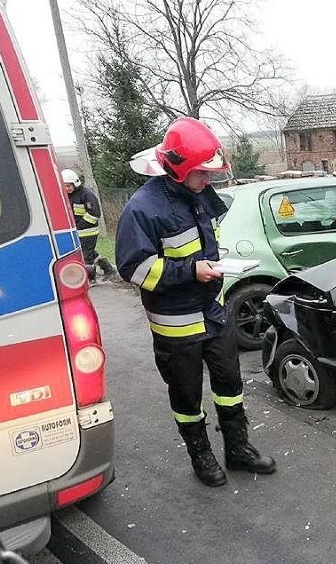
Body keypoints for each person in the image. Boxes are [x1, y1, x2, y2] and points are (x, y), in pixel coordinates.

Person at [115, 117, 276, 487]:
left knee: (230, 385)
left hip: (214, 315)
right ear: (179, 169)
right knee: (187, 398)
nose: (209, 181)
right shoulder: (143, 209)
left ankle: (238, 450)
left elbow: (205, 243)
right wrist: (191, 271)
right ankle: (201, 455)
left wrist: (217, 264)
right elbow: (134, 268)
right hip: (176, 324)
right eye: (202, 173)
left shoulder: (199, 193)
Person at [61, 169, 116, 281]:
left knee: (85, 257)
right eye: (64, 186)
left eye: (68, 186)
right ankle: (108, 269)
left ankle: (90, 279)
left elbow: (94, 214)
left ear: (75, 183)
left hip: (88, 231)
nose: (67, 189)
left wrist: (80, 225)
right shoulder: (69, 195)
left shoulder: (86, 195)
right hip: (77, 232)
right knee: (90, 253)